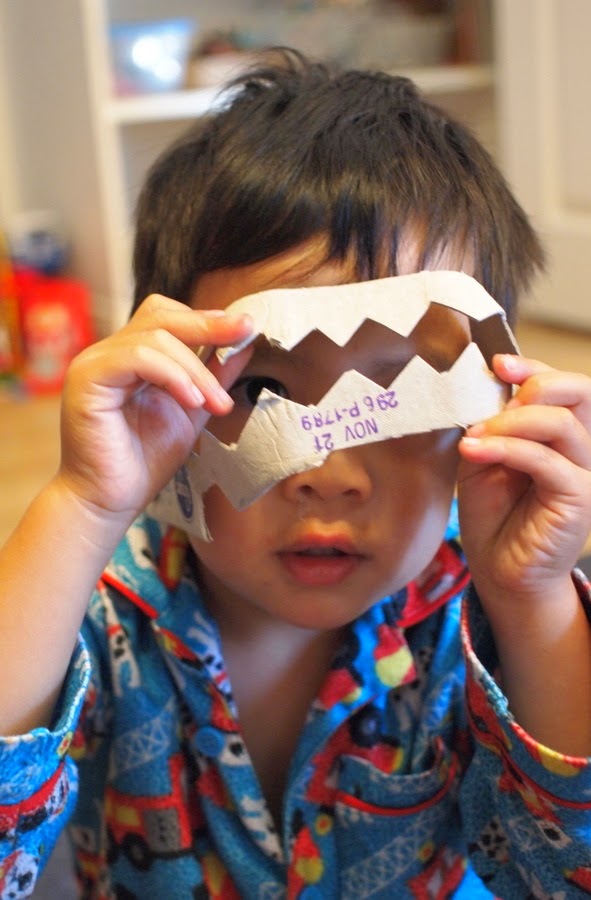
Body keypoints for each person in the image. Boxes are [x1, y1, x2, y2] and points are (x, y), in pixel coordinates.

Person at [1, 49, 591, 900]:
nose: (331, 474)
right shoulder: (101, 604)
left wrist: (535, 600)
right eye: (262, 390)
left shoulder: (478, 613)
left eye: (398, 394)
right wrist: (81, 506)